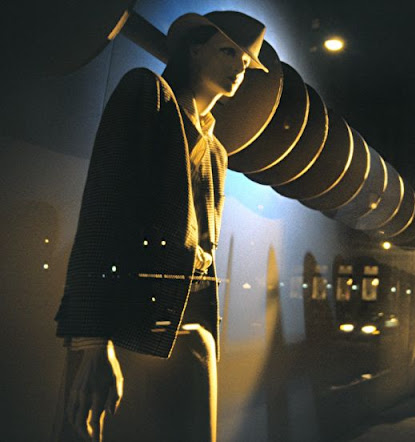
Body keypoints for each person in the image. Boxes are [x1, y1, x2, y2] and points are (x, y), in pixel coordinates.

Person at [53, 11, 268, 441]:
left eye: (245, 62)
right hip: (126, 330)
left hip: (188, 333)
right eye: (229, 52)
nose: (238, 68)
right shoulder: (148, 93)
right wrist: (94, 341)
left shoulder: (218, 152)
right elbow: (103, 211)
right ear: (195, 49)